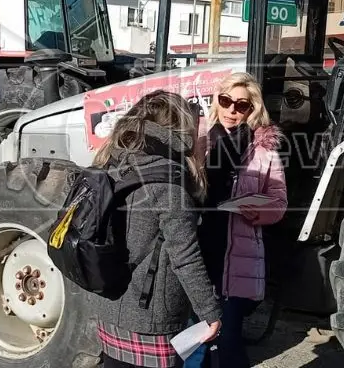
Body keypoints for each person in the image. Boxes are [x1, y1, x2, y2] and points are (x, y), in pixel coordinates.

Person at [88, 90, 224, 368]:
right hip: (151, 319)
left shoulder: (110, 162)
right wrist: (210, 311)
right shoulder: (169, 182)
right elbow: (185, 257)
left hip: (107, 308)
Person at [197, 72, 288, 368]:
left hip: (238, 256)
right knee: (196, 338)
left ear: (253, 109)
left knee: (229, 338)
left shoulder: (264, 149)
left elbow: (279, 201)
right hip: (199, 252)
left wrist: (257, 211)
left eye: (241, 105)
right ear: (217, 101)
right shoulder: (199, 140)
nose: (232, 110)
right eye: (226, 101)